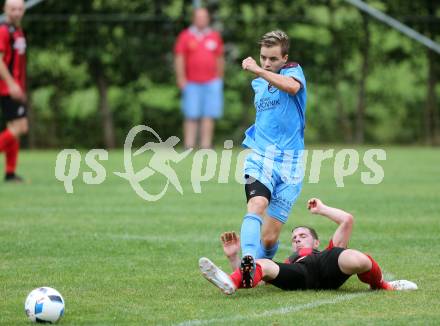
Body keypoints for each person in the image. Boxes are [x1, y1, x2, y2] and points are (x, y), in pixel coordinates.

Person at [199, 198, 418, 295]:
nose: (296, 239)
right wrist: (233, 257)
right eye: (294, 237)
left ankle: (381, 285)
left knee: (358, 259)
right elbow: (256, 277)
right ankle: (230, 282)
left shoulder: (329, 251)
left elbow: (347, 220)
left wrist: (321, 209)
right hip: (301, 274)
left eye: (302, 235)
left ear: (316, 242)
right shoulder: (292, 261)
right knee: (264, 264)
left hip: (328, 267)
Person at [238, 30, 307, 287]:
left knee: (269, 238)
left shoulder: (293, 72)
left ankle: (255, 267)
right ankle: (246, 260)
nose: (267, 63)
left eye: (273, 59)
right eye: (263, 58)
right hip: (261, 158)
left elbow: (291, 87)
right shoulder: (258, 83)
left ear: (285, 58)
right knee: (256, 204)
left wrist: (258, 70)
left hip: (290, 165)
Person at [174, 7, 224, 149]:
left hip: (212, 82)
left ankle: (206, 145)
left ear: (208, 19)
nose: (201, 19)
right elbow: (179, 58)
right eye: (199, 17)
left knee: (209, 115)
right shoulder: (185, 36)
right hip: (191, 83)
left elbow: (220, 58)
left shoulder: (214, 36)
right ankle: (189, 145)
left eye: (204, 17)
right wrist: (181, 78)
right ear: (194, 19)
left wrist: (219, 78)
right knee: (191, 114)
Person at [0, 0, 27, 182]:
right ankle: (10, 172)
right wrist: (11, 84)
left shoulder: (17, 30)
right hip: (6, 87)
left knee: (13, 129)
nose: (16, 12)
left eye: (19, 9)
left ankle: (10, 173)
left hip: (14, 86)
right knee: (20, 127)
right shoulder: (3, 30)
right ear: (5, 9)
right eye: (12, 9)